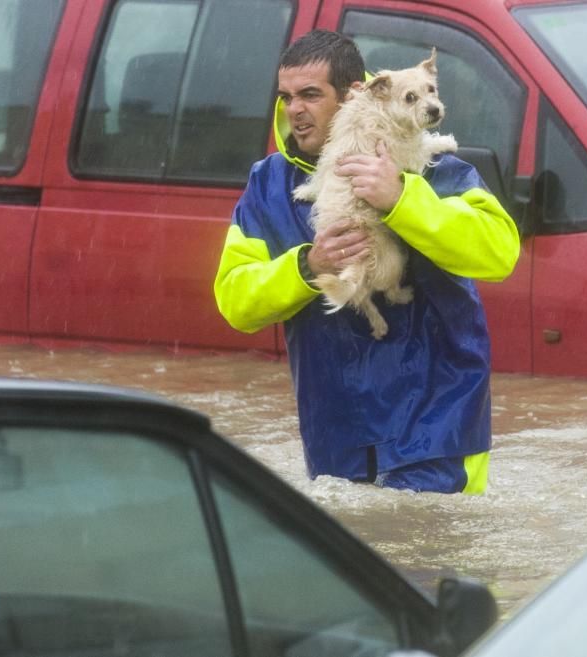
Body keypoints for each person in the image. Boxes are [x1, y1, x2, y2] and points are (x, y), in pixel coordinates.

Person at [214, 30, 519, 494]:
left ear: (355, 94)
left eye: (311, 95)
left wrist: (402, 199)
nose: (295, 109)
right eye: (287, 97)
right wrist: (306, 266)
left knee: (436, 564)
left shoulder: (431, 162)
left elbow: (500, 251)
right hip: (336, 437)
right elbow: (236, 300)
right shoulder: (269, 183)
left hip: (440, 425)